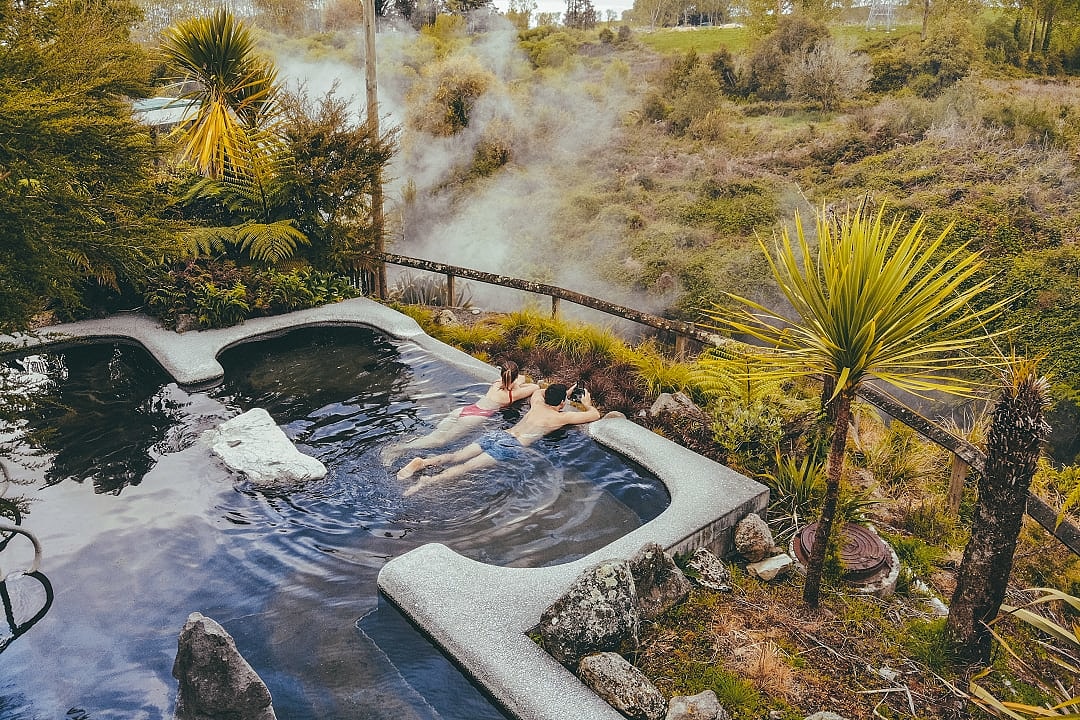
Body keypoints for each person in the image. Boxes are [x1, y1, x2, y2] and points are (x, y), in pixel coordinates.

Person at [397, 383, 600, 496]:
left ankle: (424, 462)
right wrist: (587, 403)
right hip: (511, 446)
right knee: (465, 468)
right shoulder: (559, 417)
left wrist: (562, 392)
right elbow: (594, 415)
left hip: (500, 434)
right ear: (562, 402)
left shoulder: (537, 403)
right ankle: (426, 482)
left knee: (456, 456)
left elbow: (538, 390)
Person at [381, 361, 538, 462]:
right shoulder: (512, 394)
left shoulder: (496, 383)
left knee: (434, 436)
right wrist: (516, 385)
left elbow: (519, 378)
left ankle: (403, 448)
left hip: (464, 410)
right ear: (514, 377)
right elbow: (534, 387)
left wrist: (513, 382)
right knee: (439, 441)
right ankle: (397, 449)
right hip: (474, 418)